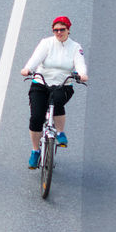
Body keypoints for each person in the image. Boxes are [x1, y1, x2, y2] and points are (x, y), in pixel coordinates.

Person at [19, 16, 88, 168]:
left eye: (62, 29)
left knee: (57, 100)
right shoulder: (47, 43)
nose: (58, 32)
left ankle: (60, 133)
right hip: (41, 83)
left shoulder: (75, 47)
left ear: (68, 30)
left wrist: (82, 75)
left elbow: (80, 64)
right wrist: (28, 69)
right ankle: (35, 151)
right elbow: (35, 59)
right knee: (36, 117)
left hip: (63, 84)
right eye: (55, 30)